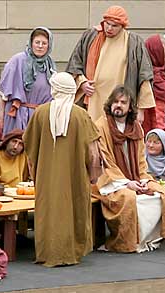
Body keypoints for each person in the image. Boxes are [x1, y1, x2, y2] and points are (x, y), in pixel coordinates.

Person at [24, 72, 102, 267]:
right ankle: (71, 252)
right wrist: (93, 177)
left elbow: (30, 149)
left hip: (46, 177)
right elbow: (94, 154)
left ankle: (47, 252)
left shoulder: (40, 113)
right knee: (73, 207)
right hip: (75, 176)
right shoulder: (81, 115)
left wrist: (35, 176)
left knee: (48, 210)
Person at [94, 86, 165, 253]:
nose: (118, 105)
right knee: (129, 197)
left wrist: (143, 180)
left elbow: (140, 160)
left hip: (135, 177)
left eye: (123, 102)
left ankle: (149, 240)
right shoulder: (101, 126)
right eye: (115, 102)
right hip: (110, 181)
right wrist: (126, 183)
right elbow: (105, 162)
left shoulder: (136, 127)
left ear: (130, 107)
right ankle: (126, 242)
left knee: (161, 193)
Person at [66, 5, 155, 123]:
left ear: (123, 26)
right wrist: (82, 83)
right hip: (93, 99)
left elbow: (144, 77)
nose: (109, 28)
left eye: (114, 26)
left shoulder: (134, 42)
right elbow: (75, 65)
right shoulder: (91, 36)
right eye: (107, 24)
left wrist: (141, 110)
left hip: (120, 103)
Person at [0, 27, 56, 136]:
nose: (40, 46)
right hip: (19, 116)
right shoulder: (17, 61)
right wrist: (0, 118)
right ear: (31, 43)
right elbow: (3, 94)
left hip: (40, 117)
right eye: (37, 42)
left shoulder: (50, 65)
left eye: (44, 43)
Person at [142, 35, 165, 136]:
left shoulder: (160, 73)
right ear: (156, 51)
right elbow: (158, 111)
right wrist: (160, 135)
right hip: (154, 128)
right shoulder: (153, 77)